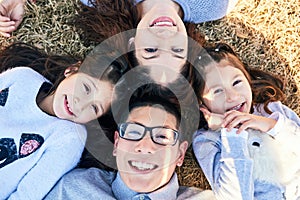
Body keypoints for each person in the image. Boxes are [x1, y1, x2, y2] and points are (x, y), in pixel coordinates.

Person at [45, 78, 216, 200]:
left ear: (180, 154)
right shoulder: (72, 189)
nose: (145, 146)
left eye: (162, 136)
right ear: (117, 143)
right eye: (133, 132)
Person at [0, 42, 127, 199]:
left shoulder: (69, 138)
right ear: (72, 70)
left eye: (94, 108)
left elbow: (27, 194)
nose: (80, 104)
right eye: (86, 88)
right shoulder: (22, 77)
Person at [191, 42, 300, 199]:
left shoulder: (271, 110)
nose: (232, 96)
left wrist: (269, 125)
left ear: (248, 80)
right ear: (201, 102)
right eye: (217, 91)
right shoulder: (207, 140)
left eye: (237, 82)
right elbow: (237, 196)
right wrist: (232, 132)